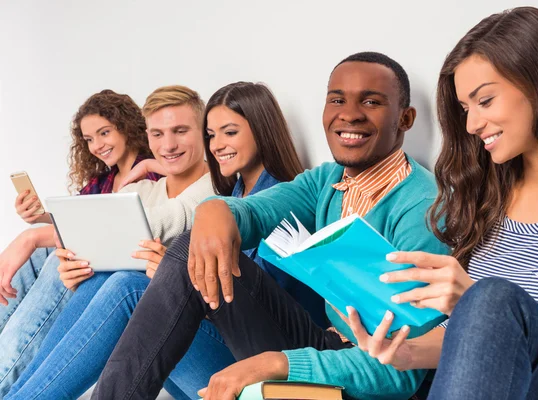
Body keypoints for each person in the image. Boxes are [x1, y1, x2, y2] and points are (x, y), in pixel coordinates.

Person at [92, 52, 449, 400]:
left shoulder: (422, 208)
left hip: (369, 379)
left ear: (405, 118)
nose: (349, 115)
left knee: (141, 282)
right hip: (325, 345)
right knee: (190, 246)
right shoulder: (329, 181)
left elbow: (398, 374)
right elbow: (255, 211)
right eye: (337, 100)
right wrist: (215, 210)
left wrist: (279, 363)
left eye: (371, 102)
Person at [6, 82, 327, 400]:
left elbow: (260, 306)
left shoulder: (281, 202)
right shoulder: (231, 193)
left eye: (229, 132)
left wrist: (178, 277)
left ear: (260, 130)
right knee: (106, 276)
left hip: (258, 365)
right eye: (211, 135)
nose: (217, 145)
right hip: (216, 352)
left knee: (129, 287)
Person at [346, 7, 538, 399]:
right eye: (465, 108)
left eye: (485, 100)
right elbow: (471, 348)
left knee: (492, 298)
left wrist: (477, 303)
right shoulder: (491, 199)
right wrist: (403, 352)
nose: (471, 125)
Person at [0, 90, 160, 395]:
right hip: (101, 261)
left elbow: (111, 233)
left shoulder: (152, 171)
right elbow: (78, 223)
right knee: (40, 255)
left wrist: (32, 236)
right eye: (89, 139)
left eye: (104, 133)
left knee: (54, 257)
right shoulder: (105, 179)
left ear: (126, 126)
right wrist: (39, 217)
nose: (97, 145)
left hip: (127, 275)